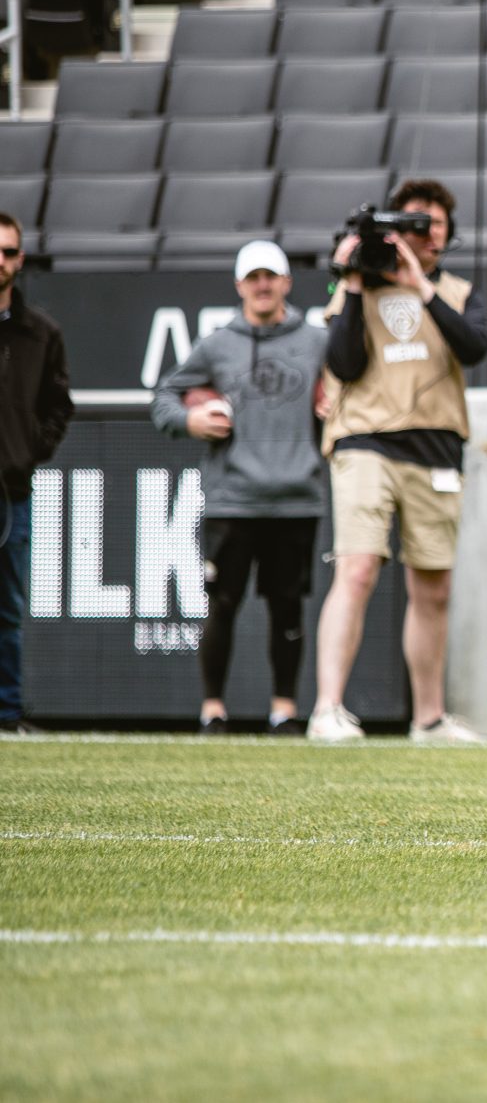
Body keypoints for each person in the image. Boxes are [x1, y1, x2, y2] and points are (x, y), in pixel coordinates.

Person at [308, 180, 487, 744]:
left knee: (433, 585)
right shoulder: (358, 286)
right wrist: (351, 281)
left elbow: (475, 348)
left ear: (447, 234)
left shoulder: (458, 290)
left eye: (433, 225)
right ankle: (328, 709)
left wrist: (420, 287)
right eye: (411, 223)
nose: (422, 234)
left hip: (435, 444)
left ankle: (429, 718)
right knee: (357, 567)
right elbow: (342, 361)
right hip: (365, 439)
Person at [151, 240, 328, 736]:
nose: (263, 285)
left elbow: (347, 382)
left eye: (271, 275)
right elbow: (163, 396)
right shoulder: (216, 344)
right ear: (239, 285)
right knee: (222, 606)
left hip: (296, 498)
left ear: (287, 283)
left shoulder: (316, 342)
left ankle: (284, 711)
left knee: (287, 609)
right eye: (254, 277)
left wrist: (336, 402)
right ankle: (213, 711)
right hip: (233, 499)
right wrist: (190, 420)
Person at [0, 212, 70, 734]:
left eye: (8, 252)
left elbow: (58, 405)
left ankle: (6, 713)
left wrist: (30, 450)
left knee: (7, 609)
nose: (0, 262)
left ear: (20, 260)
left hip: (11, 489)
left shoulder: (41, 333)